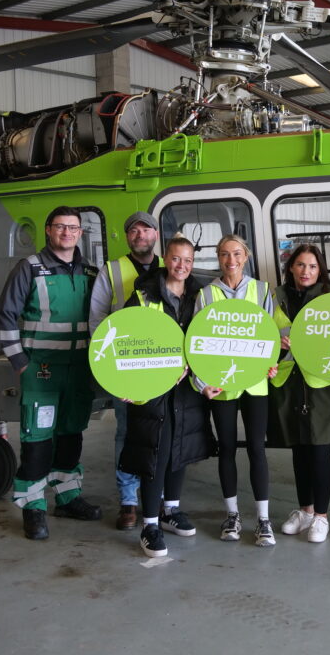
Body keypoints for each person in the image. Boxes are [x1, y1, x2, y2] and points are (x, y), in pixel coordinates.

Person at [0, 206, 101, 540]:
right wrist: (20, 362)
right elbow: (6, 316)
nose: (67, 233)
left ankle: (68, 498)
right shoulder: (29, 269)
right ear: (48, 230)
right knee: (37, 441)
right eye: (60, 227)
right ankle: (34, 508)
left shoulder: (90, 272)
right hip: (40, 370)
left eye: (73, 228)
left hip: (80, 369)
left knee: (72, 435)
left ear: (80, 233)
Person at [119, 236, 214, 558]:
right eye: (176, 259)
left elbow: (209, 339)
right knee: (153, 454)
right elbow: (123, 339)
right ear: (165, 259)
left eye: (188, 261)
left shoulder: (200, 297)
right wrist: (127, 385)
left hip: (187, 389)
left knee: (179, 448)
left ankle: (170, 510)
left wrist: (205, 379)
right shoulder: (143, 295)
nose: (182, 266)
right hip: (153, 390)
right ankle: (149, 525)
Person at [193, 235, 277, 547]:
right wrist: (202, 383)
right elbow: (196, 341)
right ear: (218, 258)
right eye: (225, 254)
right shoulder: (206, 294)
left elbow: (271, 335)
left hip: (255, 382)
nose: (231, 260)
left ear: (246, 256)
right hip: (222, 384)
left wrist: (273, 363)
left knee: (257, 447)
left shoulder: (262, 289)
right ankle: (232, 515)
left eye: (237, 254)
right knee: (227, 448)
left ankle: (263, 519)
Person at [87, 211, 162, 532]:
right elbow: (96, 318)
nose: (139, 234)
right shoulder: (112, 270)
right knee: (126, 433)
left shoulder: (169, 265)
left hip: (163, 365)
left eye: (145, 229)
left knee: (161, 433)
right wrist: (107, 366)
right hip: (126, 367)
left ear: (156, 235)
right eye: (133, 230)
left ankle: (157, 496)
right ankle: (128, 500)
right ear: (127, 237)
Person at [270, 245, 330, 544]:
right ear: (291, 269)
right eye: (300, 265)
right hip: (289, 380)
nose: (305, 271)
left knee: (319, 449)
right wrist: (278, 343)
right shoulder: (276, 298)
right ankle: (305, 511)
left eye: (312, 266)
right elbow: (262, 335)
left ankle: (322, 517)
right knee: (299, 448)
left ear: (320, 270)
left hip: (320, 383)